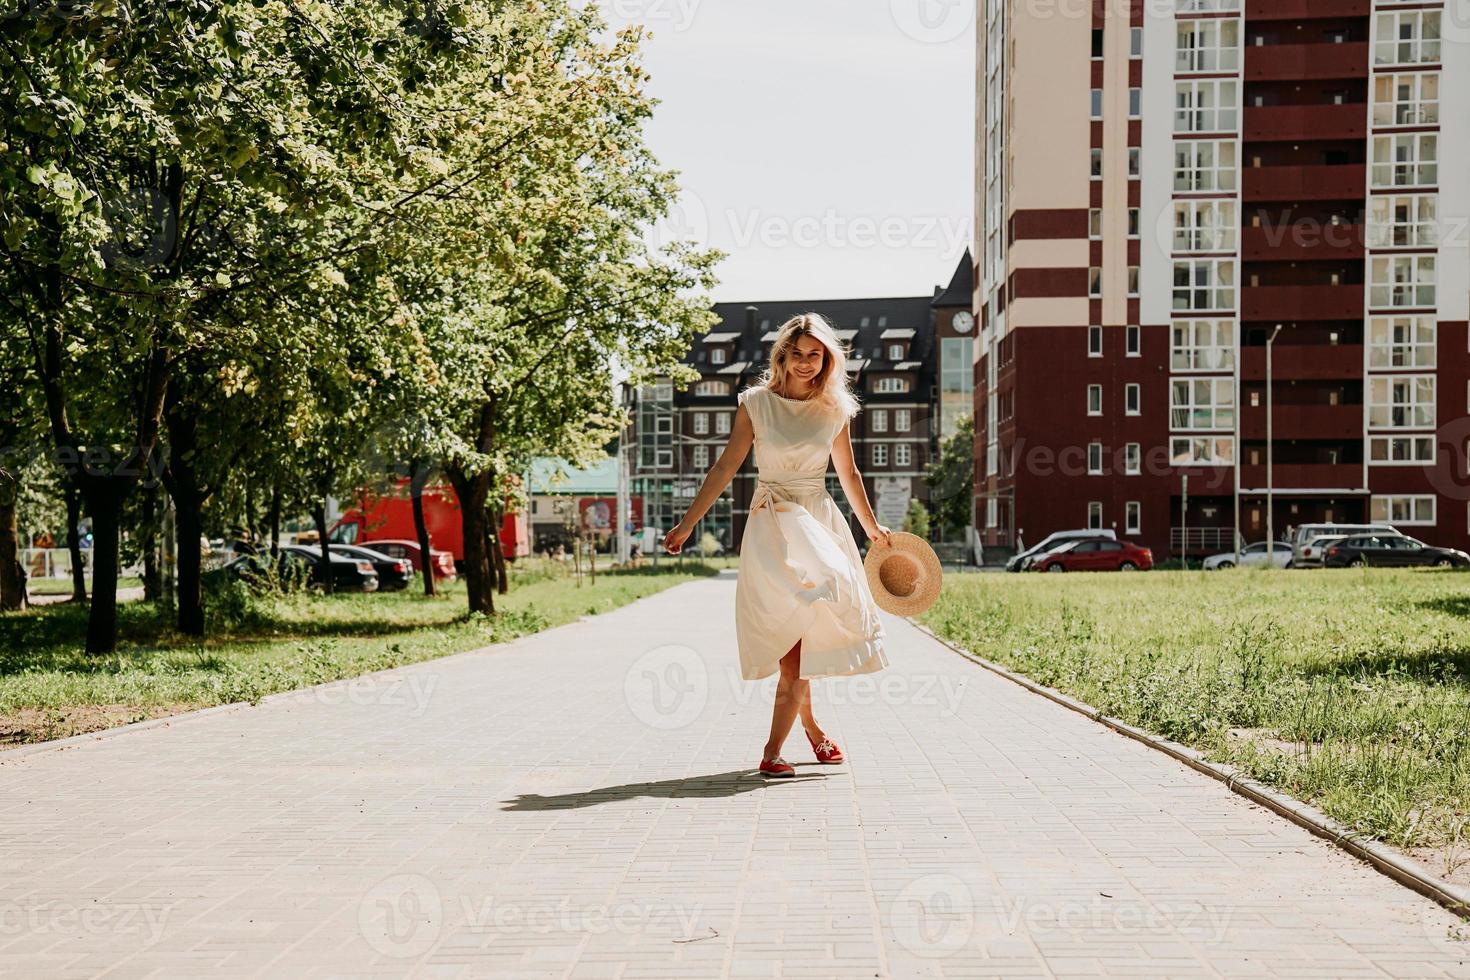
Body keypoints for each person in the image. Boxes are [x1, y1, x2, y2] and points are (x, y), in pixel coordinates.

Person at [663, 312, 893, 778]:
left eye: (816, 355)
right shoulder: (755, 404)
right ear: (782, 354)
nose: (806, 363)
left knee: (808, 634)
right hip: (772, 525)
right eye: (798, 353)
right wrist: (688, 524)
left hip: (818, 525)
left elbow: (848, 473)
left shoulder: (836, 409)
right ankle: (789, 741)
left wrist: (871, 528)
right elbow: (727, 465)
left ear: (828, 359)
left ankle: (792, 739)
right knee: (790, 638)